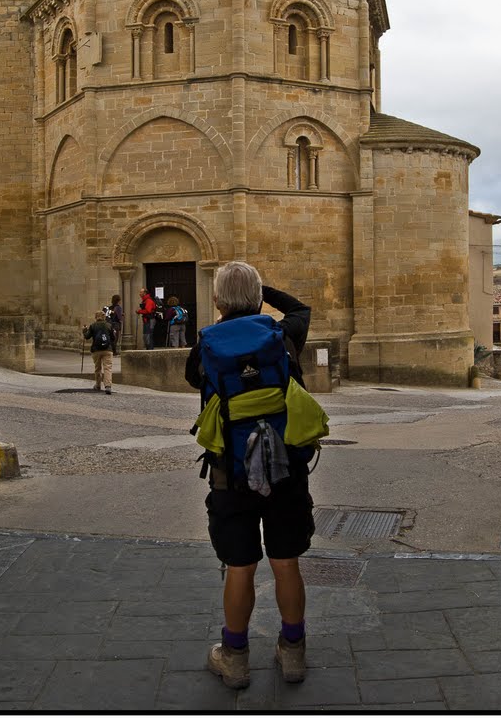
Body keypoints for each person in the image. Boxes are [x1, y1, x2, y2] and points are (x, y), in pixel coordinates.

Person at [185, 261, 315, 690]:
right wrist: (261, 293)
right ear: (258, 298)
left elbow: (194, 381)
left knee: (239, 568)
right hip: (286, 472)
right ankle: (292, 651)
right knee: (285, 562)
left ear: (218, 301)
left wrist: (232, 304)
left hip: (231, 476)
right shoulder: (284, 336)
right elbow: (300, 308)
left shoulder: (206, 346)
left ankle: (235, 657)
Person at [82, 310, 114, 394]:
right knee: (108, 368)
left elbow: (87, 337)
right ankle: (108, 386)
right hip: (108, 349)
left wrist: (84, 330)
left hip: (96, 350)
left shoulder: (93, 326)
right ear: (104, 317)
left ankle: (98, 385)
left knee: (98, 368)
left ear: (96, 317)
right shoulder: (109, 325)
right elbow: (113, 338)